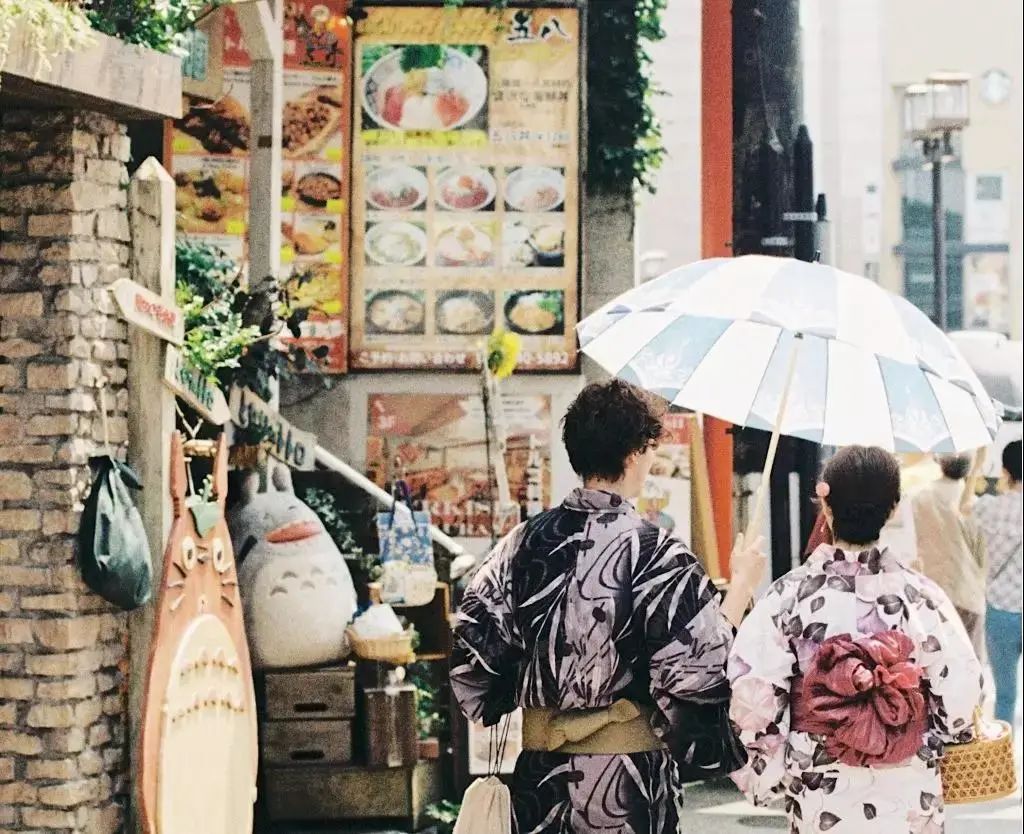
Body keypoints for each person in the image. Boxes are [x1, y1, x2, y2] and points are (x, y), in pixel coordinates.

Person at [450, 379, 767, 834]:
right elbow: (700, 673)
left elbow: (472, 665)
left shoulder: (518, 547)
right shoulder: (657, 554)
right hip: (628, 783)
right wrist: (739, 590)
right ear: (636, 453)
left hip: (541, 779)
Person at [729, 445, 982, 834]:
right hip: (907, 783)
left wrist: (768, 773)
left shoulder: (789, 597)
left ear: (825, 507)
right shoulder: (923, 599)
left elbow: (752, 698)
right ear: (893, 508)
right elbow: (961, 699)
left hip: (821, 785)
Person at [911, 452, 987, 652]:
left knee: (935, 663)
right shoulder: (975, 505)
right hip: (968, 592)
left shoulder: (920, 497)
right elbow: (984, 555)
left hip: (932, 589)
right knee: (970, 663)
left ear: (940, 463)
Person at [974, 439, 1023, 726]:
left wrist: (978, 464)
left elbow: (963, 507)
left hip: (1001, 611)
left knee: (1004, 696)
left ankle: (1004, 768)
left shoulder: (989, 508)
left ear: (1005, 472)